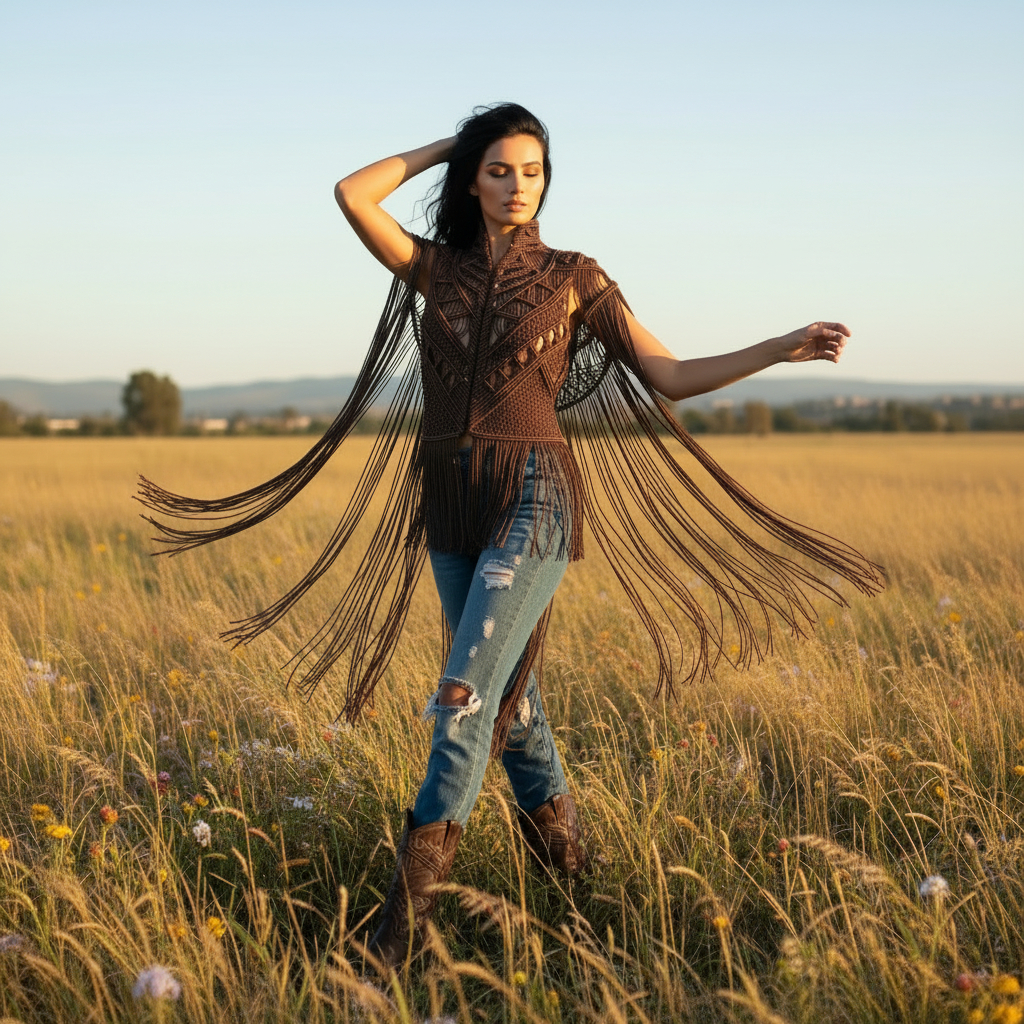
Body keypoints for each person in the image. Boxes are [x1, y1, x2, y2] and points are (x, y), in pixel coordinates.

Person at [138, 103, 883, 970]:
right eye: (498, 169)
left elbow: (669, 375)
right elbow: (353, 192)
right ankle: (576, 885)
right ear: (471, 179)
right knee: (514, 708)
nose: (517, 185)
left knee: (462, 699)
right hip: (450, 501)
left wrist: (779, 346)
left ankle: (396, 936)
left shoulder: (575, 277)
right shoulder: (437, 270)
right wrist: (456, 140)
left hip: (536, 496)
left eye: (531, 171)